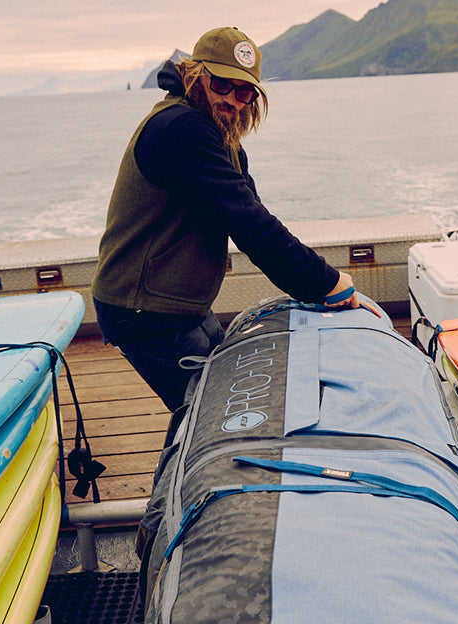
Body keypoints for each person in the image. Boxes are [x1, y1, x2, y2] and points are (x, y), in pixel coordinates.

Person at [91, 26, 361, 409]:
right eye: (222, 84)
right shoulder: (181, 128)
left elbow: (251, 211)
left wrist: (318, 283)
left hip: (179, 304)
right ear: (196, 75)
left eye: (245, 91)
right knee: (210, 412)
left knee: (219, 395)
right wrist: (327, 283)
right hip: (146, 312)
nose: (233, 100)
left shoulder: (216, 135)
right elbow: (249, 225)